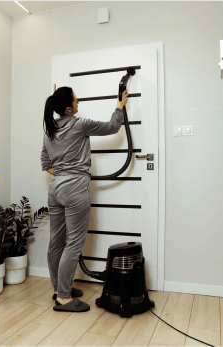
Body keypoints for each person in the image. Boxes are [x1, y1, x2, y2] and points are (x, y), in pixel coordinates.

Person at [40, 86, 129, 312]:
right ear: (69, 109)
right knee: (74, 243)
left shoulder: (49, 130)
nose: (79, 104)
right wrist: (119, 107)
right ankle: (64, 298)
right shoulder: (79, 124)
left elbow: (45, 164)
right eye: (76, 102)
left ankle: (59, 288)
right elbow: (112, 127)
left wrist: (63, 173)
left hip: (56, 188)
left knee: (56, 242)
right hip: (75, 188)